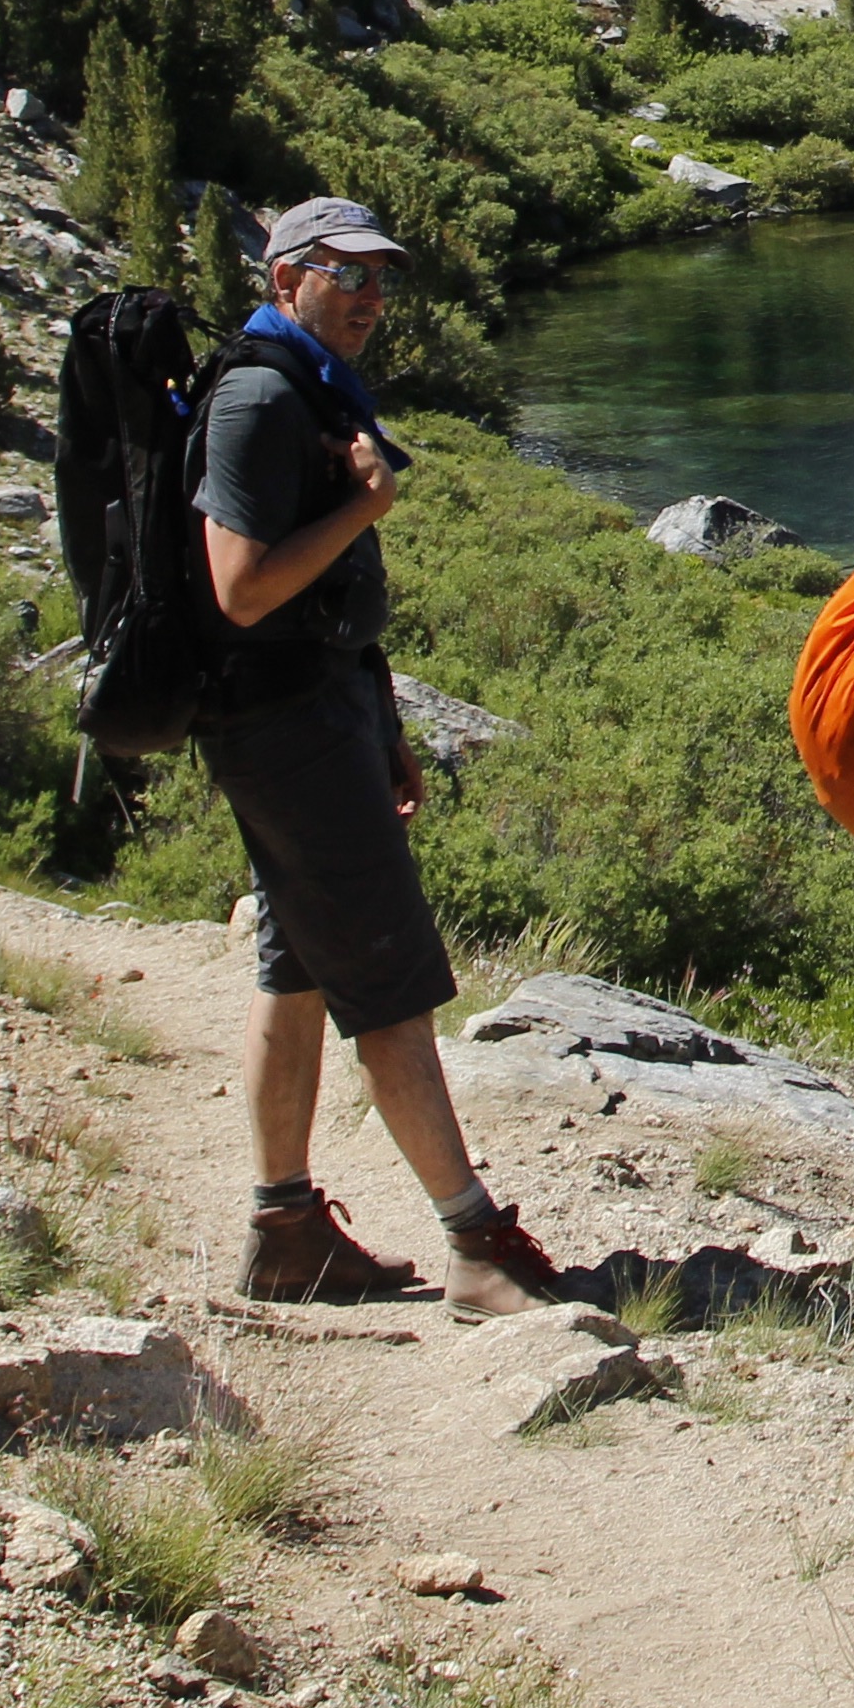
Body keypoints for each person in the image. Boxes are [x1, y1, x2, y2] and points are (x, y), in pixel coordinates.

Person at [196, 195, 566, 1319]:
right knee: (387, 978)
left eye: (377, 278)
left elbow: (321, 602)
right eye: (342, 274)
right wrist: (367, 507)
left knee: (297, 964)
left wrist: (384, 717)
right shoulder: (260, 400)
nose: (367, 296)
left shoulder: (304, 385)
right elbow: (243, 585)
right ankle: (477, 1246)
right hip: (288, 732)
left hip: (318, 716)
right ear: (285, 281)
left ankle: (285, 1230)